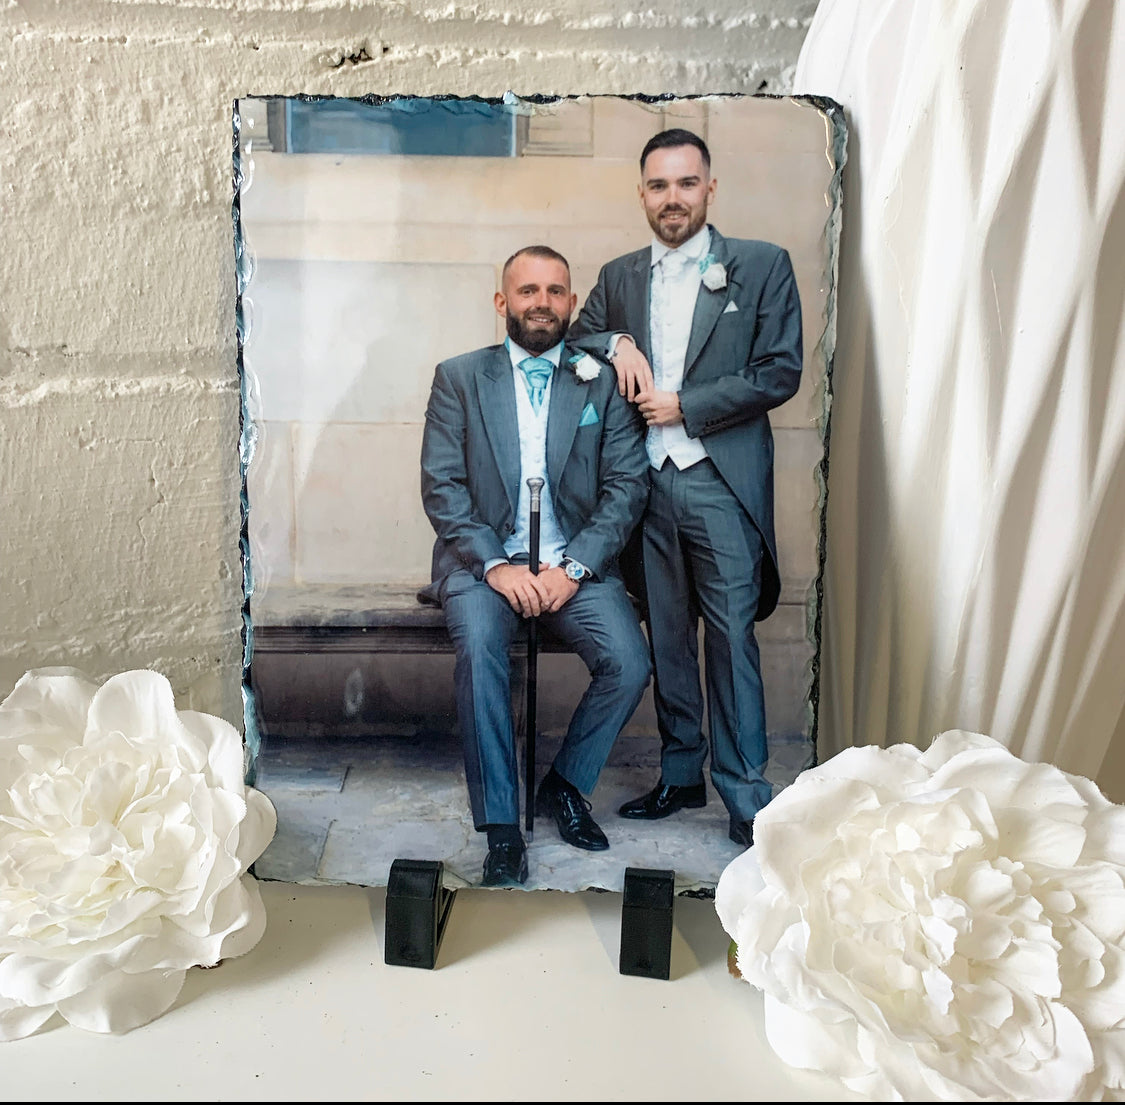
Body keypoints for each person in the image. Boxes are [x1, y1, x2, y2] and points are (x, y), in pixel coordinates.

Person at [568, 128, 803, 849]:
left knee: (729, 638)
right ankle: (679, 775)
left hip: (719, 482)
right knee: (667, 637)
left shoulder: (761, 265)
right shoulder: (619, 276)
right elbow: (576, 338)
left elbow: (780, 370)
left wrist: (686, 406)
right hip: (645, 484)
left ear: (710, 188)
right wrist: (616, 342)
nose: (673, 197)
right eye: (659, 185)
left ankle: (747, 797)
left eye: (686, 183)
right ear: (643, 194)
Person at [420, 245, 652, 887]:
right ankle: (501, 828)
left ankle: (566, 784)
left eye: (555, 291)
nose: (541, 303)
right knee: (480, 649)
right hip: (482, 564)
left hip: (571, 563)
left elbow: (626, 487)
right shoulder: (460, 377)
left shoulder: (599, 381)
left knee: (629, 662)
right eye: (528, 291)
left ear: (572, 303)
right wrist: (496, 567)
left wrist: (572, 568)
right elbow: (442, 486)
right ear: (503, 302)